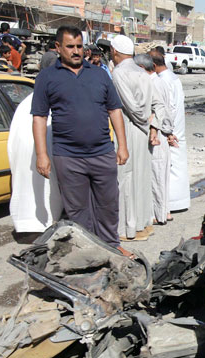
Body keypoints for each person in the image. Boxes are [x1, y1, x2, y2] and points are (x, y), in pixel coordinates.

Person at [30, 25, 130, 257]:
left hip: (102, 152)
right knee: (77, 209)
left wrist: (122, 146)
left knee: (108, 204)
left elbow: (114, 110)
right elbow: (39, 117)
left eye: (79, 46)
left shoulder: (99, 73)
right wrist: (42, 154)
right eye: (70, 47)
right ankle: (86, 251)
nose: (76, 51)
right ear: (58, 47)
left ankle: (111, 246)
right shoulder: (47, 77)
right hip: (68, 156)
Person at [111, 34, 154, 242]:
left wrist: (142, 122)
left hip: (130, 128)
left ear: (114, 52)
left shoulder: (119, 72)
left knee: (127, 178)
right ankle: (142, 223)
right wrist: (148, 124)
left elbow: (130, 106)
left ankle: (130, 229)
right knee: (140, 177)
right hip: (142, 128)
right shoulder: (141, 71)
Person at [8, 93, 62, 233]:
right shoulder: (54, 96)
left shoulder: (26, 102)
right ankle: (48, 224)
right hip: (44, 148)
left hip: (27, 150)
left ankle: (33, 224)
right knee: (48, 189)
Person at [133, 53, 176, 226]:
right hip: (163, 135)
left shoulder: (152, 83)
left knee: (156, 177)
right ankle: (163, 212)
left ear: (142, 69)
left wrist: (160, 130)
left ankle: (157, 214)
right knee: (160, 177)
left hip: (157, 136)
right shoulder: (160, 81)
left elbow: (159, 112)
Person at [151, 47, 190, 214]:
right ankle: (175, 202)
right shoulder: (173, 77)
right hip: (177, 128)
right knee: (176, 166)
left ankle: (170, 204)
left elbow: (168, 108)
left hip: (171, 130)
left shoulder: (164, 80)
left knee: (169, 167)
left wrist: (167, 131)